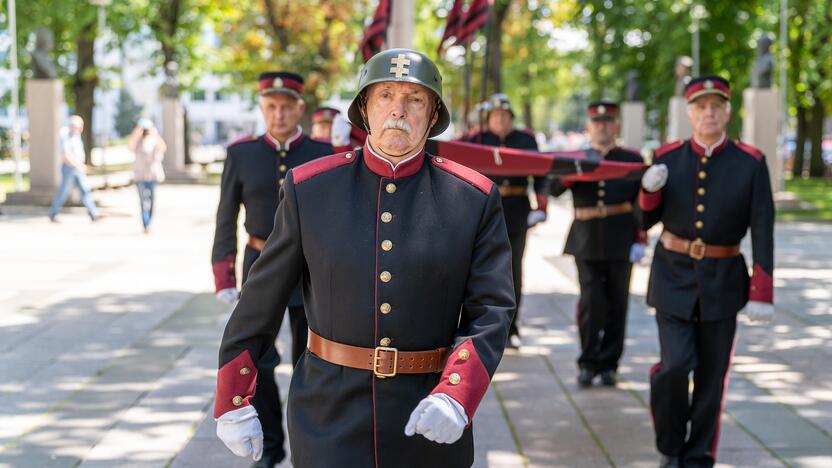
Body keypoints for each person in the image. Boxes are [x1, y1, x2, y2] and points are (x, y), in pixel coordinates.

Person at [213, 48, 514, 468]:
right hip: (327, 412)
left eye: (414, 99)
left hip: (428, 411)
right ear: (364, 109)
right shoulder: (311, 188)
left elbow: (492, 309)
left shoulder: (472, 198)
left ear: (432, 116)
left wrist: (457, 394)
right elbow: (260, 300)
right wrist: (232, 396)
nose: (398, 110)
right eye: (385, 95)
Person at [638, 75, 775, 468]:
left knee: (712, 378)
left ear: (727, 111)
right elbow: (645, 222)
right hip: (672, 277)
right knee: (675, 367)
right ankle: (670, 445)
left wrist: (762, 289)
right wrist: (648, 192)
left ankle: (698, 456)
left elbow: (763, 226)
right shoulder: (667, 156)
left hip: (724, 281)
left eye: (716, 106)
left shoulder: (750, 162)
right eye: (701, 107)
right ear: (690, 113)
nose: (709, 113)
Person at [210, 71, 334, 468]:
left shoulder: (322, 152)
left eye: (286, 107)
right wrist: (224, 274)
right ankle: (270, 449)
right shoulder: (241, 153)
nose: (278, 115)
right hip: (260, 262)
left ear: (300, 108)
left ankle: (306, 446)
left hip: (309, 266)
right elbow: (226, 215)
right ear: (262, 108)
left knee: (309, 358)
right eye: (271, 107)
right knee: (257, 358)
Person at [550, 101, 646, 387]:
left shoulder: (631, 158)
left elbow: (642, 201)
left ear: (616, 126)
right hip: (586, 238)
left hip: (621, 236)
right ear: (589, 127)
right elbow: (553, 189)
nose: (603, 127)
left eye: (608, 122)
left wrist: (641, 236)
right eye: (598, 122)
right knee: (592, 302)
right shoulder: (577, 157)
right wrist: (571, 174)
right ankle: (588, 361)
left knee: (618, 303)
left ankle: (609, 364)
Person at [466, 93, 547, 348]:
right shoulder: (476, 139)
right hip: (481, 211)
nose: (500, 120)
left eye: (505, 116)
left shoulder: (526, 140)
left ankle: (511, 328)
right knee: (477, 269)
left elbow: (541, 172)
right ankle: (476, 324)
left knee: (513, 271)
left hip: (516, 211)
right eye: (495, 116)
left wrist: (541, 203)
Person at [48, 115, 97, 222]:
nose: (80, 129)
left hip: (77, 169)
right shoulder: (65, 135)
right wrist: (79, 165)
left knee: (85, 190)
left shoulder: (76, 135)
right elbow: (66, 155)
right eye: (78, 126)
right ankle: (53, 213)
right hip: (69, 168)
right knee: (63, 192)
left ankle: (93, 214)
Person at [128, 118, 166, 233]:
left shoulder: (154, 141)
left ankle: (149, 221)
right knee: (142, 201)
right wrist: (136, 133)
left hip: (153, 175)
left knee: (152, 201)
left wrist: (154, 133)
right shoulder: (137, 142)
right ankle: (146, 224)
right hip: (140, 176)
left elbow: (163, 147)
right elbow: (130, 147)